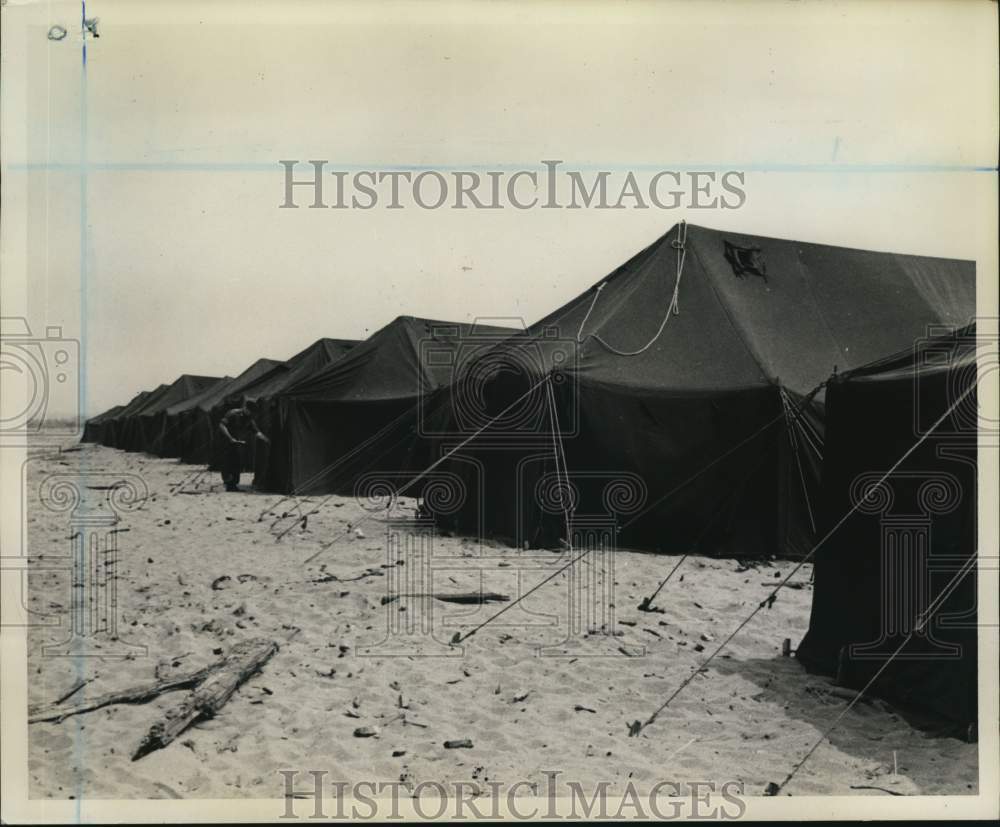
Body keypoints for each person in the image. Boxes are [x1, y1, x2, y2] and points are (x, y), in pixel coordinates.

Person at [217, 399, 269, 491]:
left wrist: (266, 439)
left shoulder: (249, 418)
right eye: (250, 411)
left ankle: (233, 485)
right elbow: (222, 425)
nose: (250, 414)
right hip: (227, 442)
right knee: (228, 463)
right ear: (245, 408)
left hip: (238, 443)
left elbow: (256, 432)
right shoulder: (233, 413)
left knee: (237, 464)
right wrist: (230, 438)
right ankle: (229, 484)